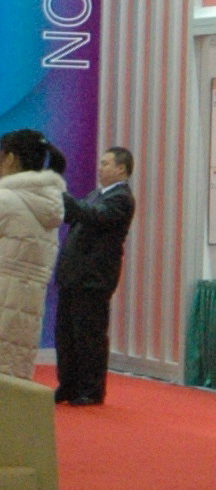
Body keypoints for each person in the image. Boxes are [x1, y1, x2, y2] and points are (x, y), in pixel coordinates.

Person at [53, 145, 135, 405]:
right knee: (66, 335)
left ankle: (90, 389)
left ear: (121, 168)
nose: (100, 168)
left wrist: (64, 195)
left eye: (106, 163)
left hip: (93, 278)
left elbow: (94, 216)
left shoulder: (121, 198)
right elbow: (75, 215)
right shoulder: (97, 194)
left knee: (88, 336)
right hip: (74, 275)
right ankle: (68, 384)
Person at [0, 133, 65, 387]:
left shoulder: (6, 200)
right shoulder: (48, 207)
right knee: (14, 385)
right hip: (27, 312)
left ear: (10, 159)